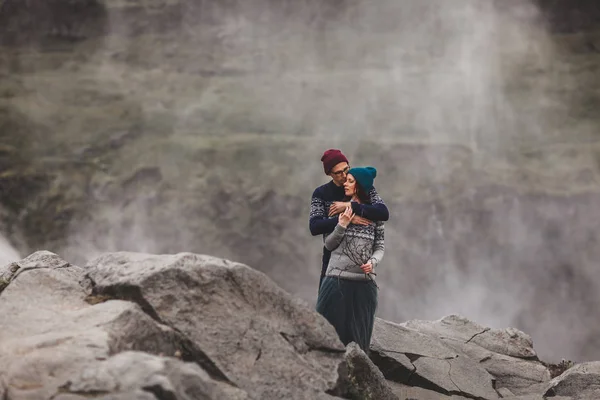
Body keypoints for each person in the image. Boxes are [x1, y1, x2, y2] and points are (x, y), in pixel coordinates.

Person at [316, 166, 384, 351]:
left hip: (365, 286)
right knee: (327, 339)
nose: (345, 182)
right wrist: (342, 225)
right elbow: (329, 245)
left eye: (350, 181)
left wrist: (372, 263)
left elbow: (379, 246)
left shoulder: (374, 215)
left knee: (359, 344)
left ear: (359, 186)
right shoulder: (338, 209)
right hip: (336, 282)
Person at [309, 149, 389, 290]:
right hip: (333, 261)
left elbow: (383, 212)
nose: (345, 175)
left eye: (347, 169)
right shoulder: (321, 194)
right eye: (339, 173)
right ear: (329, 174)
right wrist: (347, 219)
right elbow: (315, 226)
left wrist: (350, 205)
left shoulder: (363, 187)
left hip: (361, 267)